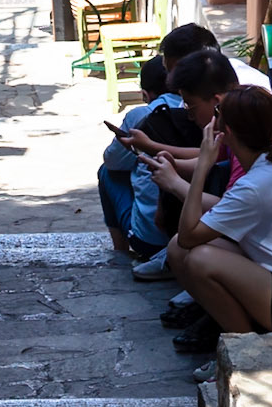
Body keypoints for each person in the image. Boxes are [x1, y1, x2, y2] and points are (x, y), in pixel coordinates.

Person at [151, 82, 272, 359]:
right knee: (178, 250)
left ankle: (248, 355)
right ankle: (244, 339)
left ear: (225, 131)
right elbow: (220, 215)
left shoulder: (258, 181)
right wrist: (176, 182)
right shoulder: (271, 161)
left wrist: (203, 166)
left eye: (217, 113)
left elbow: (189, 234)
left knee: (200, 258)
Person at [99, 37, 237, 261]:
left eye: (190, 107)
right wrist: (157, 153)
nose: (188, 115)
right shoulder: (229, 131)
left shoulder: (244, 137)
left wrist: (174, 183)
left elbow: (191, 235)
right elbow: (206, 156)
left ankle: (122, 254)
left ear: (216, 100)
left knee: (183, 249)